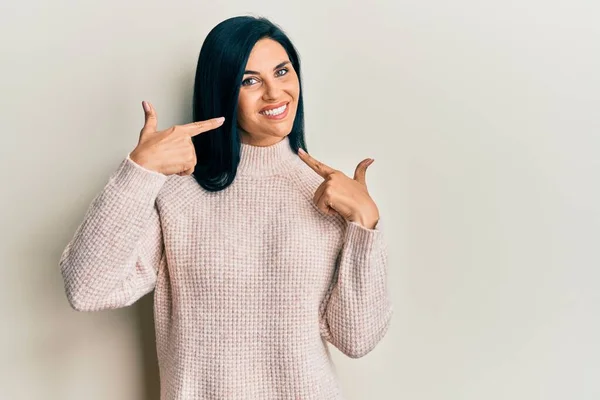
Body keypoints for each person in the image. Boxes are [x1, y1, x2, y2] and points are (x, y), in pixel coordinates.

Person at [59, 15, 393, 400]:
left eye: (282, 71)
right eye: (250, 80)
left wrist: (366, 224)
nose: (274, 92)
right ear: (222, 90)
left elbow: (357, 339)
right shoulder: (176, 192)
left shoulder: (331, 196)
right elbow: (86, 290)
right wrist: (140, 171)